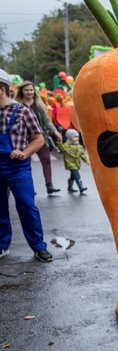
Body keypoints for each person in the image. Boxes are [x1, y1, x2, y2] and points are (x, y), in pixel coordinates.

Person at [0, 69, 54, 262]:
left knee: (27, 206)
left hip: (17, 167)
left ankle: (38, 247)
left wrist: (24, 152)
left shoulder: (23, 112)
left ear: (1, 89)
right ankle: (2, 245)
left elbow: (38, 139)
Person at [15, 81, 63, 195]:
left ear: (34, 91)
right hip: (24, 140)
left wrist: (55, 131)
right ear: (22, 91)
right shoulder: (17, 105)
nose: (29, 92)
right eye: (26, 90)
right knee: (26, 164)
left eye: (31, 90)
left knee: (46, 160)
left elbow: (46, 121)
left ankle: (49, 185)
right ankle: (29, 187)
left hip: (40, 139)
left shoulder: (39, 104)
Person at [57, 129, 89, 193]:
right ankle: (81, 187)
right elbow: (62, 149)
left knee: (73, 176)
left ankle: (70, 187)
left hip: (76, 163)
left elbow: (82, 154)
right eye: (74, 137)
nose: (77, 138)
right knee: (77, 175)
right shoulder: (66, 145)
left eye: (77, 137)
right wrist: (59, 142)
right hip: (70, 163)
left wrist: (87, 160)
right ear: (69, 137)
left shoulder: (79, 146)